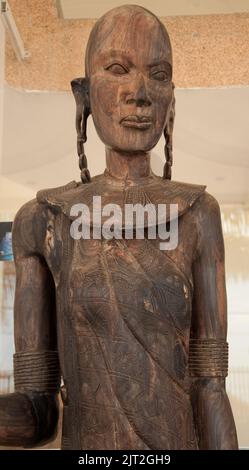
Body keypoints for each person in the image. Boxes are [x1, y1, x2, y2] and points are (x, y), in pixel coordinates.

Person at [0, 5, 238, 450]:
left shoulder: (197, 214)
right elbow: (38, 413)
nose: (140, 93)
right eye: (117, 69)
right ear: (84, 96)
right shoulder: (44, 220)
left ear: (171, 101)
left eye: (159, 74)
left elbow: (209, 387)